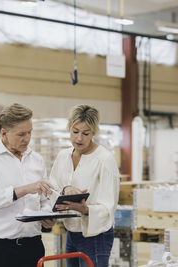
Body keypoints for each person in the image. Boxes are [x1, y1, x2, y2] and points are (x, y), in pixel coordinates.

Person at [0, 103, 56, 267]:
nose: (27, 138)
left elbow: (46, 197)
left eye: (30, 132)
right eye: (21, 134)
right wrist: (26, 189)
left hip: (33, 247)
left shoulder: (37, 160)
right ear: (4, 133)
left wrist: (47, 214)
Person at [49, 105, 120, 267]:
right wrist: (65, 189)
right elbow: (52, 187)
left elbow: (109, 206)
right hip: (71, 232)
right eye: (75, 132)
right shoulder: (62, 157)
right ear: (69, 128)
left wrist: (85, 209)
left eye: (85, 133)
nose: (79, 138)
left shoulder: (104, 160)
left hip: (96, 236)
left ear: (94, 132)